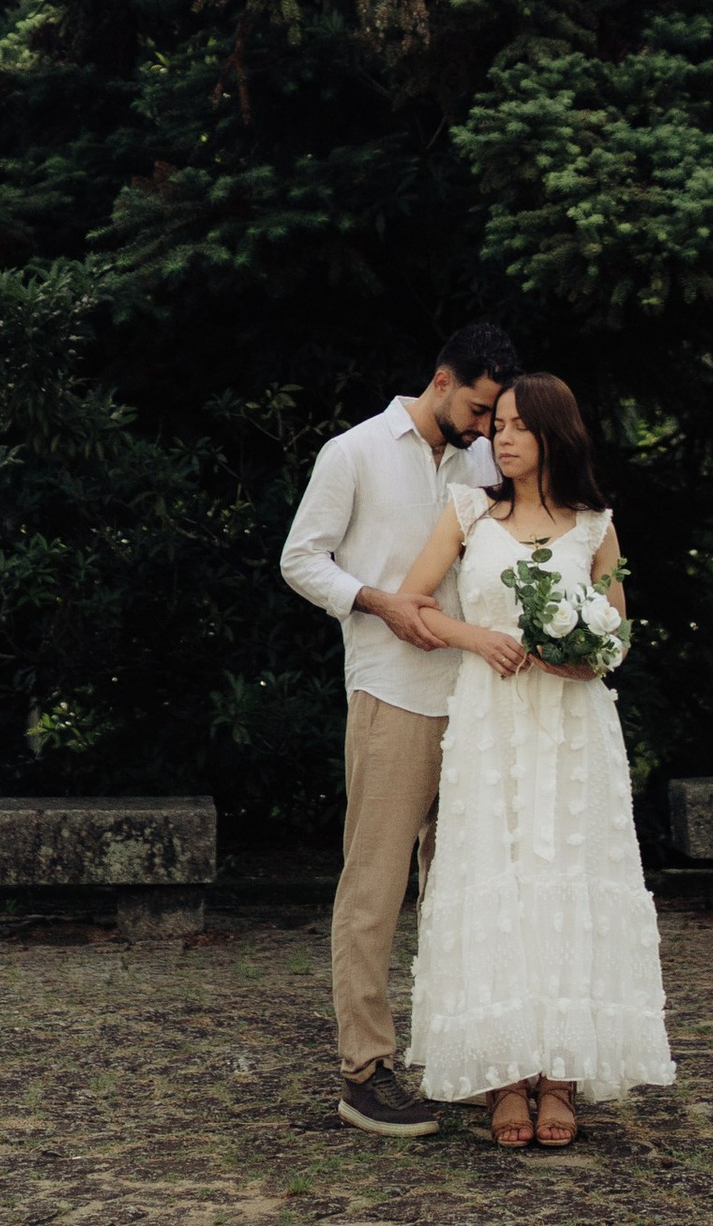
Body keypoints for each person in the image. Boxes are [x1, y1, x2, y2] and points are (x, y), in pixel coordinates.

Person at [395, 371, 676, 1149]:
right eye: (497, 425)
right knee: (501, 882)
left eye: (517, 425)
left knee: (566, 880)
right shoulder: (469, 514)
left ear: (554, 433)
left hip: (572, 731)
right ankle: (503, 1080)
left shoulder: (595, 526)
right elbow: (411, 603)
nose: (500, 436)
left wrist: (586, 657)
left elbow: (618, 630)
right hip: (492, 725)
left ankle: (561, 1077)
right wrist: (476, 638)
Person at [278, 320, 521, 1137]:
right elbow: (300, 559)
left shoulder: (482, 462)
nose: (487, 427)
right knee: (375, 888)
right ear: (444, 380)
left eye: (495, 416)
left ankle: (465, 1058)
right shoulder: (352, 452)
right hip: (391, 691)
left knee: (463, 892)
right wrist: (379, 603)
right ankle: (365, 1072)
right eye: (481, 409)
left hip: (478, 699)